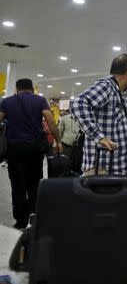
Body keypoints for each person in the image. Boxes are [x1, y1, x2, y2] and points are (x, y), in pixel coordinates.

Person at [0, 78, 62, 229]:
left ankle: (20, 220)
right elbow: (50, 121)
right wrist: (58, 141)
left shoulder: (6, 102)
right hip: (34, 150)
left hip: (15, 150)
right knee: (34, 183)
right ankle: (33, 215)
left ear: (16, 89)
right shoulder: (40, 100)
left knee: (17, 185)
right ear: (32, 89)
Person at [70, 54, 127, 176]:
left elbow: (115, 121)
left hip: (116, 168)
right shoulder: (107, 86)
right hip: (103, 169)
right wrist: (99, 137)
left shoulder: (119, 92)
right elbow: (78, 103)